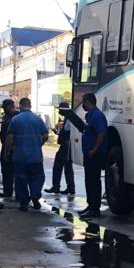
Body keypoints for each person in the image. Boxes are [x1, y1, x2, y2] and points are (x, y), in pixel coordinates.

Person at [5, 98, 49, 211]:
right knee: (37, 178)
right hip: (35, 156)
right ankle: (35, 197)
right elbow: (45, 136)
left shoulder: (15, 119)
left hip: (20, 156)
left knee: (21, 179)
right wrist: (38, 145)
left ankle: (24, 202)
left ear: (20, 106)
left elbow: (9, 138)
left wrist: (7, 151)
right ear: (30, 105)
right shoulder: (38, 119)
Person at [79, 92, 108, 220]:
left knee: (93, 181)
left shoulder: (97, 116)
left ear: (88, 102)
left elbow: (101, 133)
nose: (83, 105)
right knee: (88, 180)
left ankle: (94, 209)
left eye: (83, 102)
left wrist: (94, 149)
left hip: (94, 154)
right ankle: (90, 205)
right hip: (89, 153)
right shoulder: (90, 115)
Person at [46, 102, 75, 196]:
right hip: (68, 146)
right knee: (68, 167)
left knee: (58, 166)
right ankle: (70, 188)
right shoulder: (68, 117)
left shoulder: (70, 118)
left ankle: (56, 187)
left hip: (66, 147)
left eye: (60, 109)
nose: (59, 111)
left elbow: (68, 133)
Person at [0, 98, 17, 199]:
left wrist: (9, 149)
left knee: (14, 172)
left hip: (12, 148)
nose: (3, 110)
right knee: (6, 171)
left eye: (5, 108)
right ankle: (8, 191)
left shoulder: (16, 117)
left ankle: (17, 193)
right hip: (6, 147)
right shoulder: (7, 117)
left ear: (9, 107)